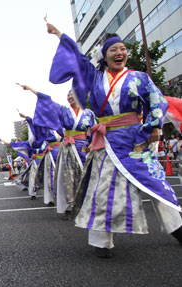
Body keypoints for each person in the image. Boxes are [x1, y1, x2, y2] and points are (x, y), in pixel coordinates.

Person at [47, 23, 182, 257]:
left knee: (154, 185)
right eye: (113, 50)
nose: (120, 53)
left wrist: (154, 126)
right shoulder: (94, 77)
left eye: (123, 49)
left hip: (135, 140)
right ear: (105, 56)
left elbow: (156, 100)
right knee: (102, 190)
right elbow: (78, 59)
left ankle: (178, 228)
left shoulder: (140, 78)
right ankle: (101, 241)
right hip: (107, 142)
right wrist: (59, 34)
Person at [19, 86, 95, 218]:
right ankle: (69, 206)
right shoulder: (64, 111)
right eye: (68, 95)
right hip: (68, 148)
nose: (70, 97)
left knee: (85, 175)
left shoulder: (89, 113)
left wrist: (92, 143)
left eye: (72, 94)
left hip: (84, 147)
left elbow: (93, 130)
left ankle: (87, 204)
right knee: (67, 177)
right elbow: (48, 101)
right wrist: (32, 90)